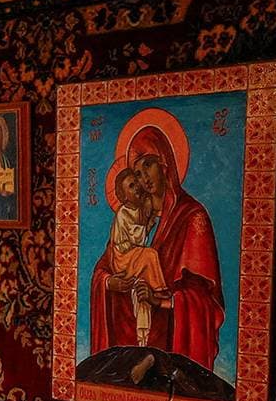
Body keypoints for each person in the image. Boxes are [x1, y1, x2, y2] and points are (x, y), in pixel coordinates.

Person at [87, 121, 227, 371]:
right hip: (126, 342)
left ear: (164, 162)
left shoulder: (192, 217)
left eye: (148, 165)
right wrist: (109, 283)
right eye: (137, 173)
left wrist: (160, 301)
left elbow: (204, 299)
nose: (143, 178)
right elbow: (104, 268)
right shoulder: (132, 217)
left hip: (168, 343)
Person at [105, 167, 166, 347]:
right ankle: (160, 288)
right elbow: (133, 238)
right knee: (149, 255)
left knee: (142, 289)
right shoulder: (123, 213)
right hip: (123, 257)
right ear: (123, 197)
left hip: (133, 256)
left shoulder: (141, 207)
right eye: (131, 186)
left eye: (136, 182)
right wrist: (147, 226)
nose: (138, 186)